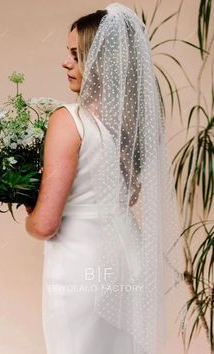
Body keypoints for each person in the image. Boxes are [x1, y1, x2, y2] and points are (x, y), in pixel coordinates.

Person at [25, 3, 185, 354]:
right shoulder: (131, 124)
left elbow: (46, 224)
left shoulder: (69, 120)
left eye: (75, 55)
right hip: (129, 263)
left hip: (81, 272)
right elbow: (122, 198)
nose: (65, 63)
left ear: (100, 61)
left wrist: (27, 210)